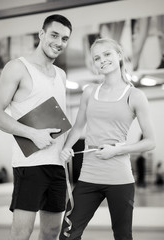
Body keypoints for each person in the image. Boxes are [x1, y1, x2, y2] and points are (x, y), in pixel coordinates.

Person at [59, 38, 155, 240]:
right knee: (68, 234)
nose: (102, 60)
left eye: (107, 54)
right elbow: (77, 128)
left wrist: (117, 150)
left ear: (119, 55)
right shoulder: (89, 92)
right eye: (97, 58)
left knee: (122, 236)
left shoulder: (135, 95)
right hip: (88, 176)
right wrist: (66, 148)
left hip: (119, 178)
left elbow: (150, 141)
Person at [0, 14, 72, 240]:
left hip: (58, 164)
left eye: (65, 39)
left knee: (51, 232)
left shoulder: (61, 75)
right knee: (22, 232)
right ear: (41, 34)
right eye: (54, 35)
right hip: (30, 165)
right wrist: (33, 134)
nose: (59, 42)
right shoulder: (17, 67)